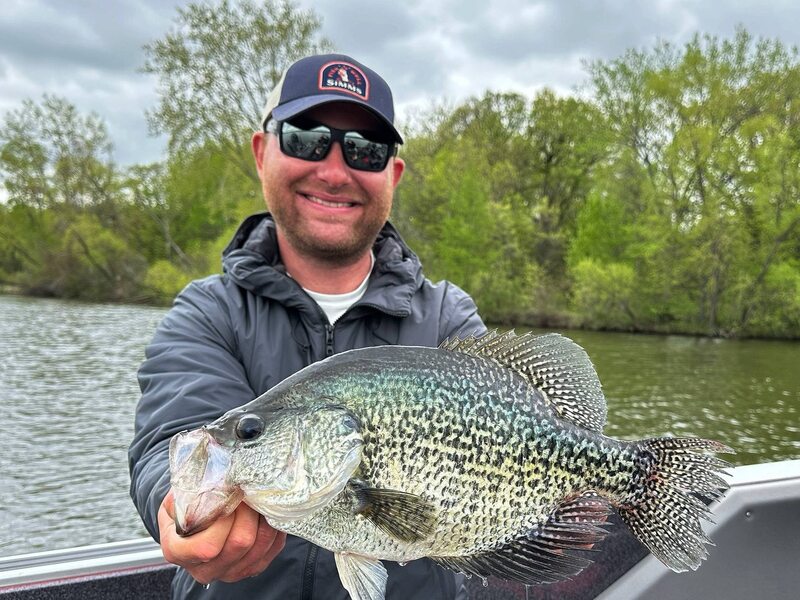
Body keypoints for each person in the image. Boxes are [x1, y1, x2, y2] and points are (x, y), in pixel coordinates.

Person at [128, 53, 485, 599]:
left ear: (392, 174)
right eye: (305, 138)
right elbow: (171, 436)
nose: (335, 170)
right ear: (261, 152)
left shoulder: (447, 320)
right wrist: (173, 502)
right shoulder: (208, 313)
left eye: (365, 150)